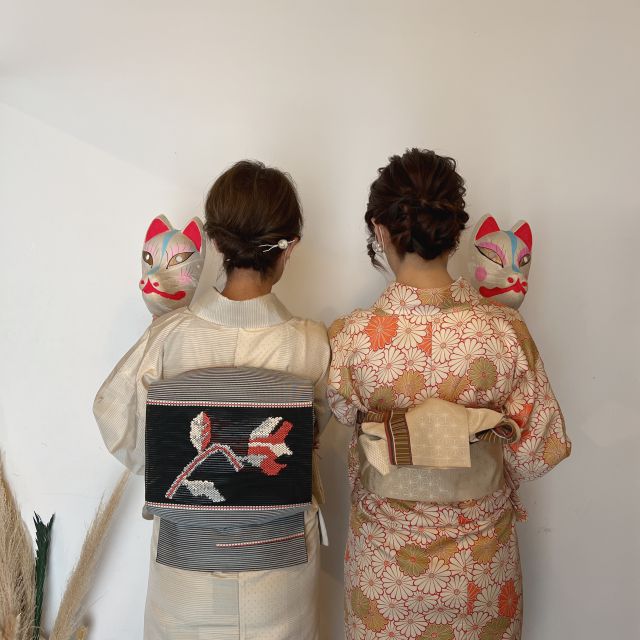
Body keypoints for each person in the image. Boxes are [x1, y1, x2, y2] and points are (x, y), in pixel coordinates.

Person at [327, 148, 570, 639]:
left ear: (380, 229)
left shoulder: (351, 338)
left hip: (385, 571)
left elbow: (341, 416)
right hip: (481, 567)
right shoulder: (504, 331)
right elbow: (537, 453)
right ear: (454, 232)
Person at [94, 160, 330, 640]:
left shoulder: (169, 337)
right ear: (289, 248)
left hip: (187, 566)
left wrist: (170, 462)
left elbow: (115, 419)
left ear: (216, 243)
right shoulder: (311, 342)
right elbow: (313, 433)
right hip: (279, 566)